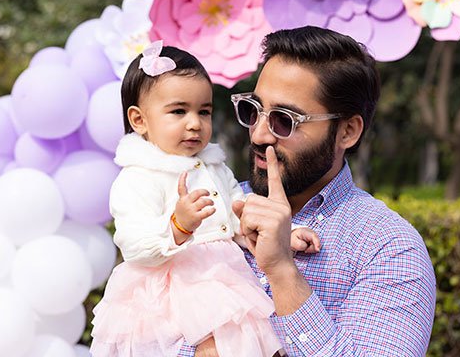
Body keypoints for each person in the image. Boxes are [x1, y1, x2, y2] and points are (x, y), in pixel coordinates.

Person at [179, 26, 437, 356]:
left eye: (284, 120)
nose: (259, 134)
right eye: (252, 110)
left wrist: (283, 272)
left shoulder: (388, 249)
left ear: (347, 131)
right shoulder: (207, 210)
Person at [90, 40, 321, 357]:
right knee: (213, 348)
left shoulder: (214, 167)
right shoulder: (139, 176)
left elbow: (239, 216)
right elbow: (133, 244)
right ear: (139, 120)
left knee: (264, 343)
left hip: (221, 277)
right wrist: (178, 225)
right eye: (178, 111)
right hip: (170, 286)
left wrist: (286, 235)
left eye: (204, 111)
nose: (194, 123)